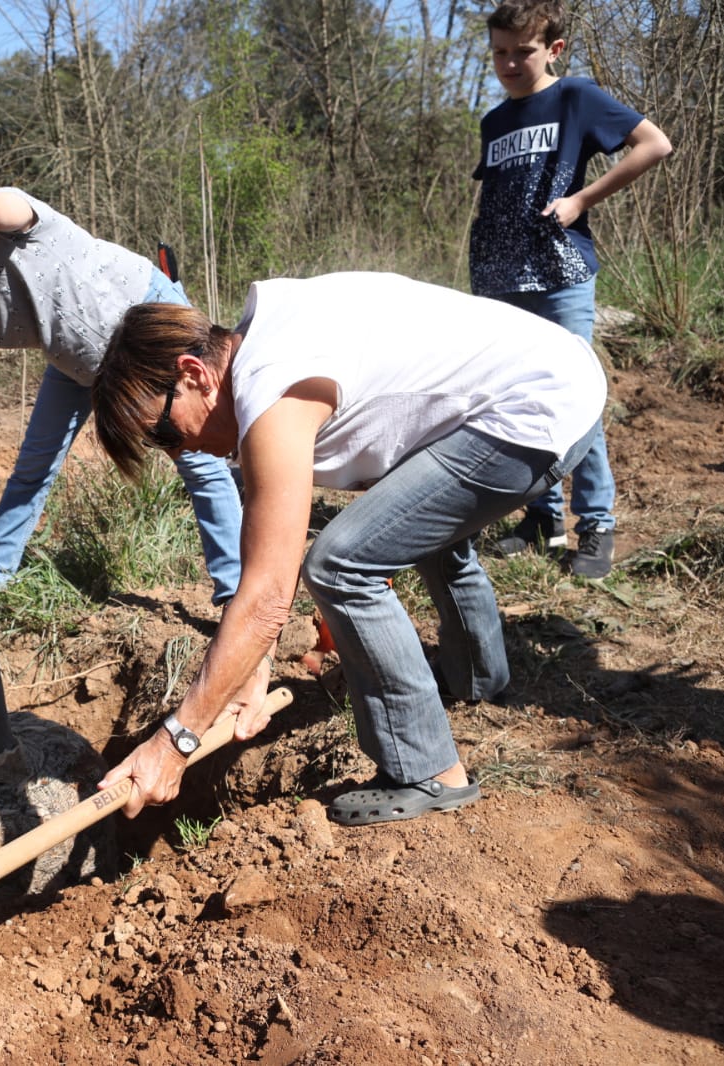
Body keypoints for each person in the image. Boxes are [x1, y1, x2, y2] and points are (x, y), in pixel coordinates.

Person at [88, 272, 606, 826]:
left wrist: (174, 743)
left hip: (536, 408)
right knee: (418, 527)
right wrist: (251, 667)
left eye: (164, 433)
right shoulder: (262, 343)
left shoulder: (273, 389)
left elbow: (267, 598)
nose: (178, 451)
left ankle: (428, 771)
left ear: (194, 375)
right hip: (556, 372)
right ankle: (477, 684)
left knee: (341, 562)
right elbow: (264, 560)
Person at [0, 99, 244, 617]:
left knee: (194, 456)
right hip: (77, 359)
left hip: (145, 320)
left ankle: (236, 596)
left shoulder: (2, 219)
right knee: (33, 466)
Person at [471, 0, 671, 578]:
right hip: (499, 284)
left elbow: (654, 144)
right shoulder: (494, 121)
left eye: (523, 52)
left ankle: (596, 524)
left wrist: (583, 199)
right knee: (519, 403)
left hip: (560, 277)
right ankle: (541, 520)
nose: (509, 63)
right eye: (500, 52)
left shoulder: (575, 98)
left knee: (576, 399)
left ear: (553, 49)